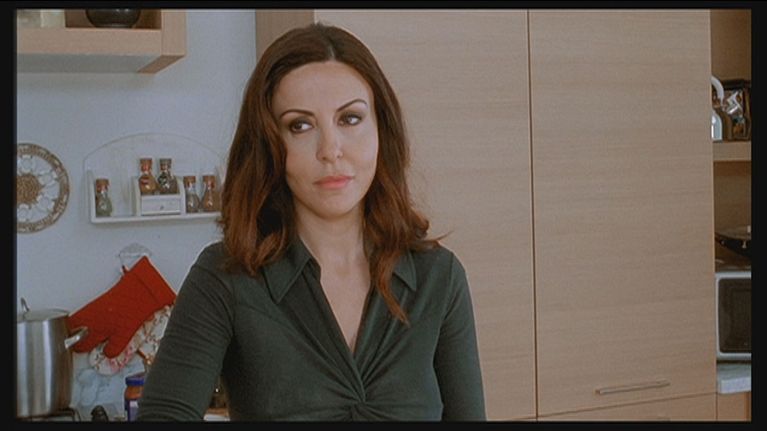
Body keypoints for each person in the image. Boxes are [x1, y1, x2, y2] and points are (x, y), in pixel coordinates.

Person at [137, 22, 485, 422]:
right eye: (300, 125)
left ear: (381, 130)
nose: (330, 150)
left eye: (350, 119)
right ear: (270, 145)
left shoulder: (439, 278)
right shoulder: (226, 278)